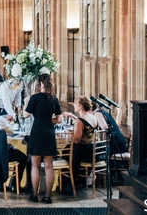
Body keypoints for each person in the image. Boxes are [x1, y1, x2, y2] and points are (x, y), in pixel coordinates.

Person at [22, 73, 62, 203]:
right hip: (49, 132)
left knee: (35, 165)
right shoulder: (54, 99)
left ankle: (34, 194)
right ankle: (48, 196)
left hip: (37, 132)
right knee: (49, 166)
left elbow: (26, 115)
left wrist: (25, 103)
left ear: (38, 83)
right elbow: (59, 119)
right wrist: (49, 120)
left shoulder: (34, 98)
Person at [65, 96, 104, 188]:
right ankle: (80, 180)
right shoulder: (92, 117)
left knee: (64, 153)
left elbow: (76, 140)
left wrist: (70, 134)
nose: (74, 105)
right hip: (94, 151)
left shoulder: (80, 121)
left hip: (84, 152)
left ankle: (70, 183)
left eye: (76, 103)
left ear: (81, 106)